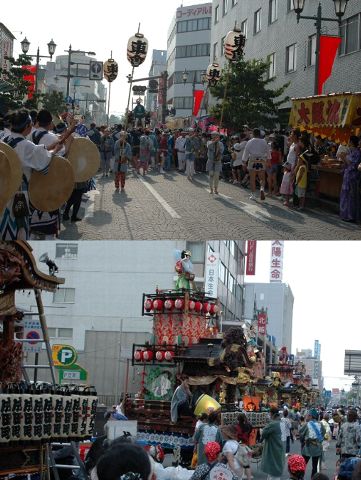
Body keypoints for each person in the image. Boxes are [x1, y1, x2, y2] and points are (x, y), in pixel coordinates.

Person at [0, 109, 63, 240]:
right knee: (19, 232)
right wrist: (55, 150)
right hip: (18, 195)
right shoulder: (25, 145)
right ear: (28, 126)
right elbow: (43, 159)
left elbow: (37, 152)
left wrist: (50, 148)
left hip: (2, 191)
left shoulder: (3, 140)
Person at [242, 128, 270, 201]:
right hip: (262, 160)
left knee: (252, 179)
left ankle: (253, 194)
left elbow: (246, 152)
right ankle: (262, 188)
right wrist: (268, 160)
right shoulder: (264, 141)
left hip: (252, 160)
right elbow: (268, 151)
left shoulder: (250, 142)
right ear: (260, 134)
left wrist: (244, 162)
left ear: (253, 134)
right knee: (262, 178)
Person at [339, 136, 361, 222]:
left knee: (351, 196)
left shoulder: (357, 153)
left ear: (351, 142)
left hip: (352, 177)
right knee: (345, 195)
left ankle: (350, 216)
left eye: (349, 141)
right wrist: (343, 159)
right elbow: (347, 164)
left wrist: (344, 158)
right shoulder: (350, 151)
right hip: (347, 176)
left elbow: (353, 165)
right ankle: (344, 214)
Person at [260, 406, 285, 480]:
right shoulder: (281, 422)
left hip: (273, 448)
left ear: (271, 414)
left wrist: (262, 430)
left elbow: (263, 433)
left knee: (273, 471)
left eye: (269, 413)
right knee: (275, 470)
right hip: (280, 448)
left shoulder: (273, 424)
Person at [299, 408, 325, 478]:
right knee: (315, 466)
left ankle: (300, 477)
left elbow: (301, 433)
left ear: (311, 416)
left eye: (308, 415)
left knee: (303, 465)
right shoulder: (320, 424)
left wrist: (302, 441)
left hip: (307, 447)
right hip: (317, 447)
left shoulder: (307, 424)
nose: (306, 416)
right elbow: (323, 432)